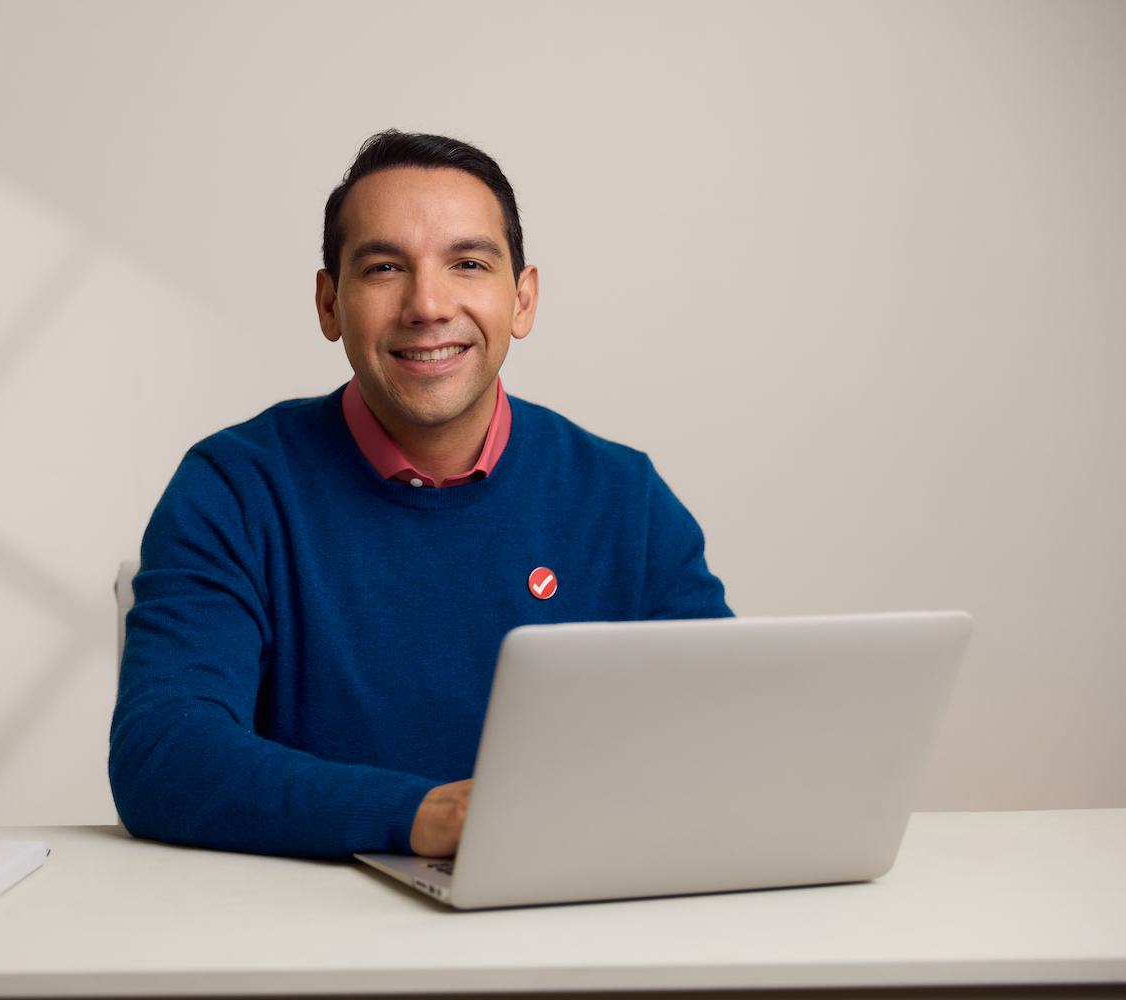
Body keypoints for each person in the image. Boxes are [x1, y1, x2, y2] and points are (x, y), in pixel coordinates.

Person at [109, 131, 731, 859]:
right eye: (384, 268)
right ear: (329, 303)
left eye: (468, 263)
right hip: (307, 919)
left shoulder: (626, 500)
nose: (427, 305)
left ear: (522, 299)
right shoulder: (235, 489)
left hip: (568, 903)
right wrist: (419, 816)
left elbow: (729, 733)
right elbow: (164, 753)